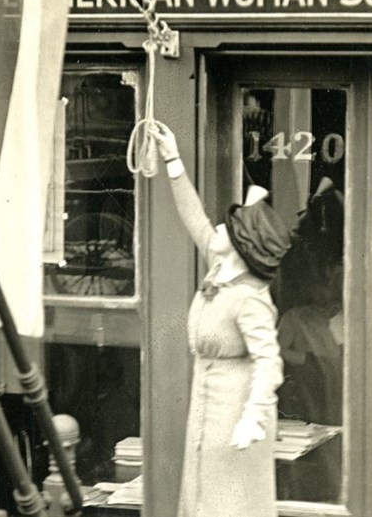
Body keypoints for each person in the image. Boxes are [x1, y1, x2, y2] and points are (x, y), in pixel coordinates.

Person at [148, 121, 288, 517]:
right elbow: (193, 215)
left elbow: (269, 361)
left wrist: (253, 417)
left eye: (229, 226)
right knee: (202, 500)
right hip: (207, 406)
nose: (219, 227)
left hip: (236, 415)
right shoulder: (219, 266)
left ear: (241, 248)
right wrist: (172, 158)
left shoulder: (250, 297)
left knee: (229, 505)